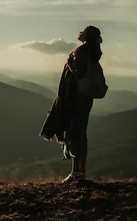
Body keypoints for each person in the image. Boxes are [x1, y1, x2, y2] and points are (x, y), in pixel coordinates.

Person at [39, 25, 107, 182]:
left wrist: (70, 64)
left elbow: (78, 74)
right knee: (80, 133)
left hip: (74, 98)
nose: (80, 32)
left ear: (87, 36)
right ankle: (79, 172)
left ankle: (77, 174)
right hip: (84, 98)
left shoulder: (81, 52)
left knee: (75, 133)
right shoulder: (92, 52)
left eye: (83, 31)